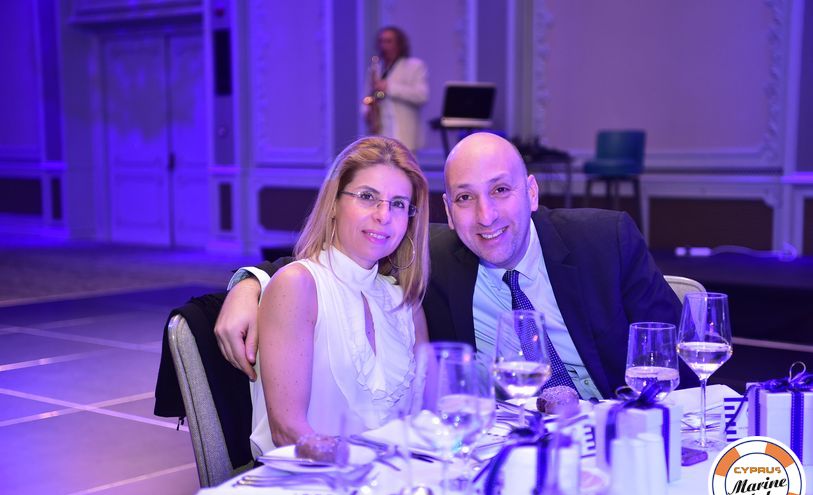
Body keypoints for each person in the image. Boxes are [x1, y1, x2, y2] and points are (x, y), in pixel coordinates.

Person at [217, 133, 695, 402]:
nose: (485, 217)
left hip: (614, 439)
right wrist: (250, 284)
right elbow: (329, 258)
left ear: (531, 193)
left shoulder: (605, 241)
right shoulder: (438, 256)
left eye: (501, 191)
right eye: (465, 198)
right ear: (448, 209)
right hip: (501, 456)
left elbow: (681, 367)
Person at [245, 136, 432, 457]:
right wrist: (361, 470)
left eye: (399, 204)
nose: (384, 215)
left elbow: (428, 416)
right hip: (312, 479)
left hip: (394, 478)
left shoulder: (406, 304)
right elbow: (286, 430)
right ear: (333, 203)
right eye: (367, 196)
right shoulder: (299, 285)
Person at [363, 26, 428, 151]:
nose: (384, 46)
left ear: (399, 44)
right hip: (381, 131)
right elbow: (367, 96)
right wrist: (367, 111)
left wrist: (389, 87)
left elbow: (422, 95)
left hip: (405, 133)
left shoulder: (414, 66)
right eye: (381, 41)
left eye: (388, 41)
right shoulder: (376, 68)